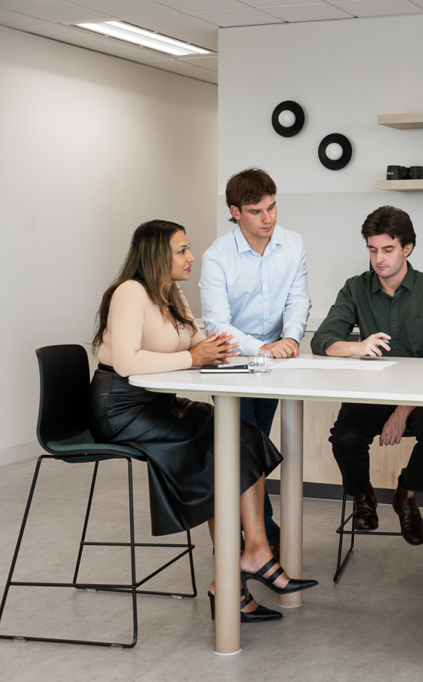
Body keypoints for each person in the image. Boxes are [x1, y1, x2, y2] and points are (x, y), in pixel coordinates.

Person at [89, 219, 317, 624]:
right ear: (157, 255)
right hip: (121, 409)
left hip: (156, 402)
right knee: (217, 452)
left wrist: (220, 347)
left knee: (240, 436)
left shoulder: (170, 292)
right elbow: (127, 362)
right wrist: (193, 358)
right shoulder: (129, 292)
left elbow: (194, 338)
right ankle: (235, 578)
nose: (191, 257)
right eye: (182, 250)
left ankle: (255, 553)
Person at [311, 206, 423, 546]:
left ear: (407, 248)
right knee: (344, 438)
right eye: (372, 250)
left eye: (388, 249)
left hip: (421, 396)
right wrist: (356, 348)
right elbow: (321, 341)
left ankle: (405, 494)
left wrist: (402, 412)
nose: (379, 259)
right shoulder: (355, 289)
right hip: (371, 393)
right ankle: (362, 495)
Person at [199, 168, 310, 558]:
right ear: (235, 212)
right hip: (229, 363)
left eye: (272, 207)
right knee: (244, 447)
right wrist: (263, 348)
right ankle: (261, 541)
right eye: (256, 211)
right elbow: (217, 325)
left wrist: (292, 338)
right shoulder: (217, 257)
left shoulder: (293, 245)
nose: (268, 218)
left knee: (257, 445)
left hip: (274, 361)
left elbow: (298, 300)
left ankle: (257, 537)